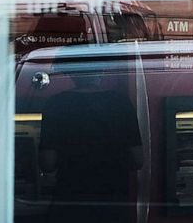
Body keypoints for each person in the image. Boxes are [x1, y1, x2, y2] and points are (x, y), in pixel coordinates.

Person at [38, 61, 143, 223]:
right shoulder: (120, 102)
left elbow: (48, 162)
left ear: (69, 72)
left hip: (70, 199)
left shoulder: (56, 104)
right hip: (113, 200)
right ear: (101, 69)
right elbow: (137, 160)